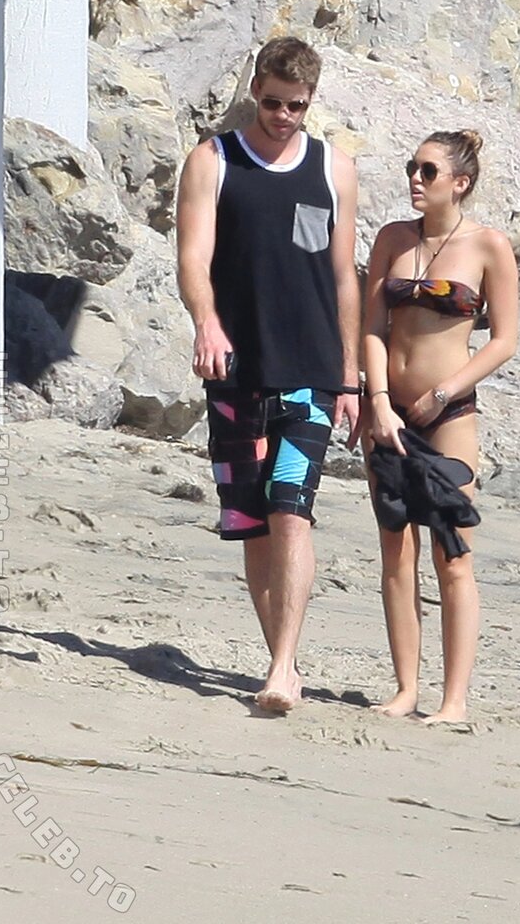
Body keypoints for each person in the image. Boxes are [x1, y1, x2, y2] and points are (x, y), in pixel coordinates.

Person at [176, 36, 361, 713]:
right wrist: (206, 322)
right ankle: (281, 656)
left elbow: (343, 277)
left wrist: (350, 377)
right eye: (275, 102)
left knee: (290, 507)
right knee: (252, 520)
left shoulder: (334, 169)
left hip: (311, 366)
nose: (284, 116)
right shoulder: (213, 161)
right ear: (256, 89)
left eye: (297, 106)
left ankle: (283, 667)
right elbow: (192, 258)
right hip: (236, 368)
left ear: (312, 102)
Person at [363, 130, 519, 724]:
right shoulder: (392, 239)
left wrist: (444, 392)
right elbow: (371, 326)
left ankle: (453, 700)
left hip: (449, 415)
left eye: (428, 171)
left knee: (452, 554)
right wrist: (378, 399)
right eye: (412, 167)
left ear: (460, 182)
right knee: (395, 551)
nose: (415, 179)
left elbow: (504, 339)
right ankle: (406, 688)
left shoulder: (488, 246)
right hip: (388, 413)